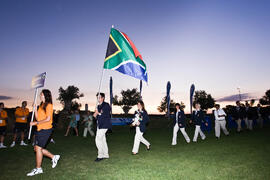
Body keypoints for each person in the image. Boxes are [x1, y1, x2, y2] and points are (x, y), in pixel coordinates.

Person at [27, 89, 60, 176]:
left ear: (46, 96)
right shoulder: (41, 105)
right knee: (37, 149)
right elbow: (38, 118)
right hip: (39, 129)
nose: (40, 96)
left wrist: (35, 123)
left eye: (41, 94)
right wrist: (34, 109)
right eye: (40, 94)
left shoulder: (49, 105)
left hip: (46, 129)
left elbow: (48, 119)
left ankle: (38, 169)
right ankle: (53, 157)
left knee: (38, 148)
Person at [93, 93, 112, 162]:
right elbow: (96, 116)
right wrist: (95, 114)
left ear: (103, 98)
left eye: (100, 97)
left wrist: (98, 112)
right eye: (97, 97)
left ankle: (100, 155)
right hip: (99, 125)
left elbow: (106, 113)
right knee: (103, 140)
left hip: (104, 125)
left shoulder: (106, 105)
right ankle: (106, 154)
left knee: (97, 139)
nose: (98, 99)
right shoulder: (98, 106)